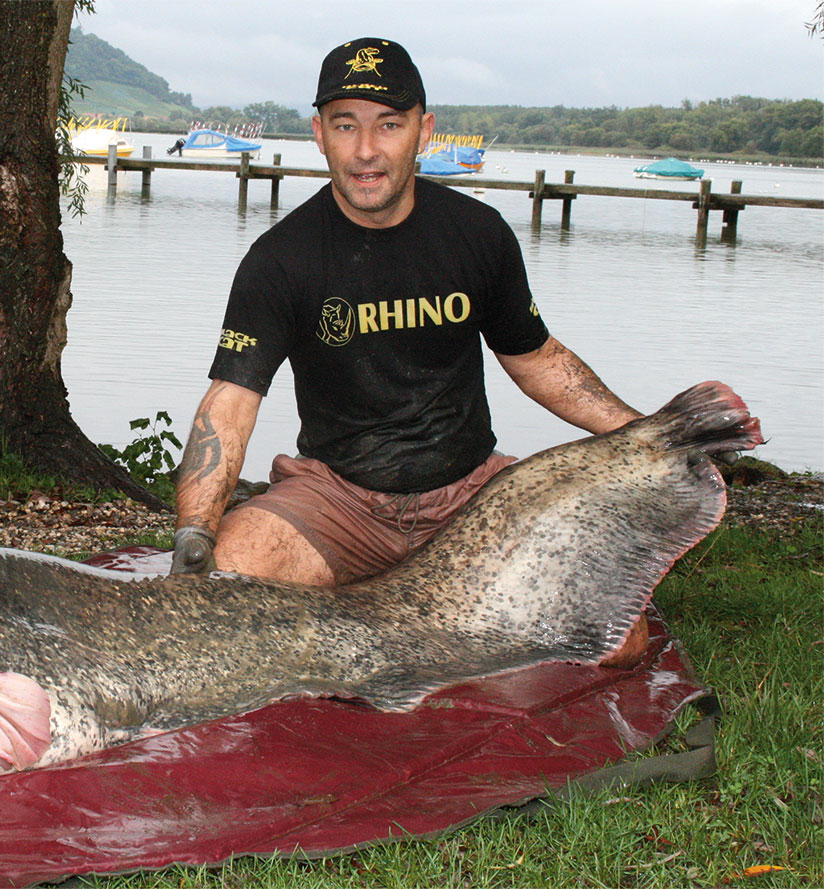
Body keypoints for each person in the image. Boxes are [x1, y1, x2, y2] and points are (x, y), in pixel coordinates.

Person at [169, 38, 648, 663]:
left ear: (424, 131)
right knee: (225, 582)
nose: (366, 150)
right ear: (319, 135)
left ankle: (409, 606)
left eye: (389, 125)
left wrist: (651, 434)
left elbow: (536, 360)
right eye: (346, 125)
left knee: (619, 642)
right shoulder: (280, 259)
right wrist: (195, 531)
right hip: (338, 502)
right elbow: (231, 401)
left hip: (471, 497)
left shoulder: (478, 234)